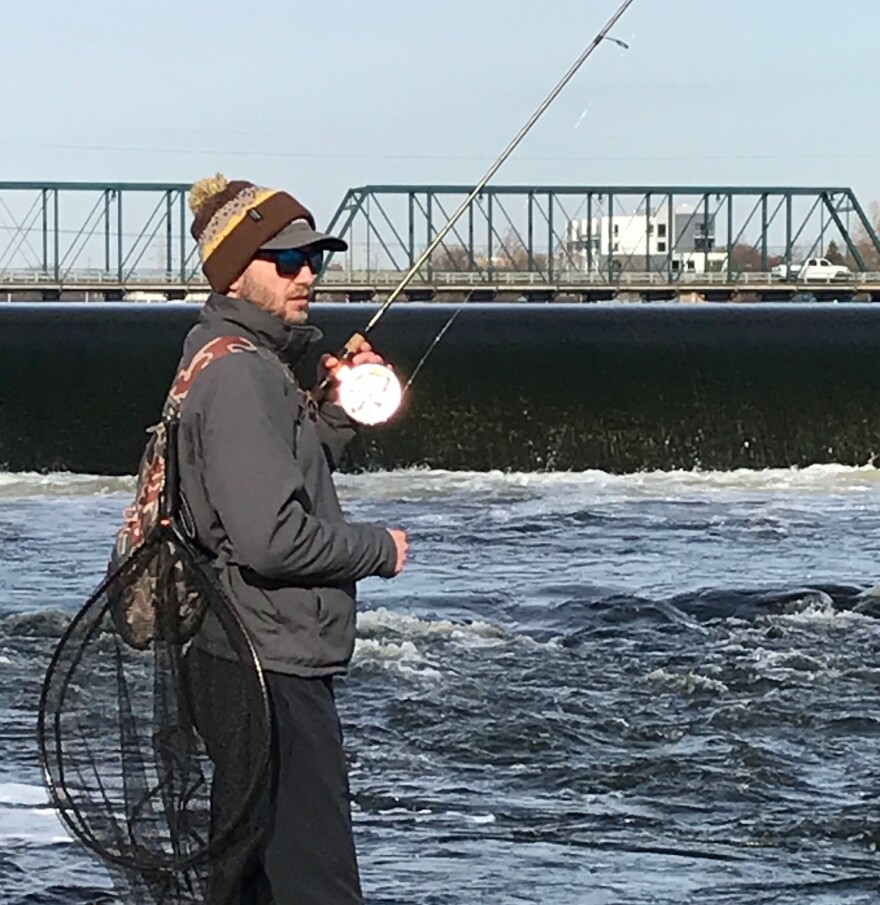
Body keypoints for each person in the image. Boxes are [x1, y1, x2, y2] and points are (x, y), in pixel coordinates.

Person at [176, 174, 409, 904]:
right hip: (266, 668)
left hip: (249, 655)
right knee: (317, 887)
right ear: (235, 272)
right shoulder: (242, 377)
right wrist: (379, 549)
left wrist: (340, 411)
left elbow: (283, 476)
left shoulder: (239, 360)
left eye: (314, 257)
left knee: (251, 881)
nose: (306, 273)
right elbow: (272, 537)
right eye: (285, 260)